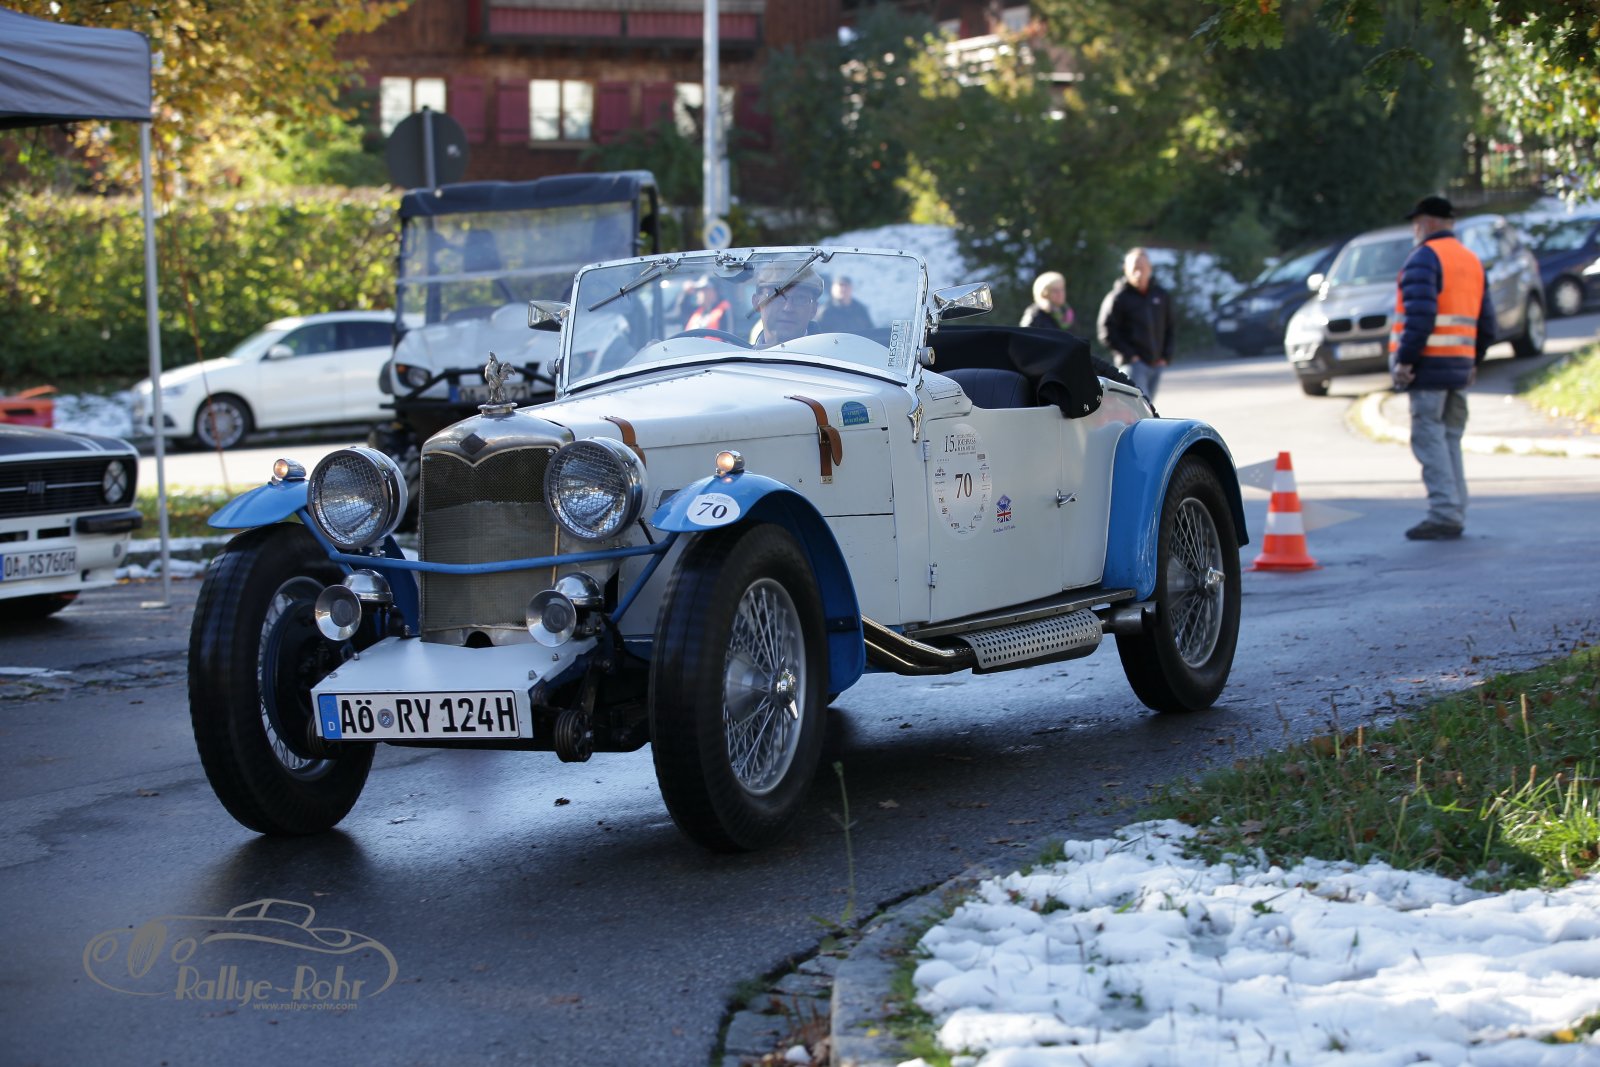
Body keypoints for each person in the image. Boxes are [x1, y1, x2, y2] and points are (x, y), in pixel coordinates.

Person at [1390, 195, 1495, 541]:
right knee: (1450, 438)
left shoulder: (1424, 258)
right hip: (1459, 367)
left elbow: (1420, 317)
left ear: (1427, 222)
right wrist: (1474, 360)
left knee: (1430, 438)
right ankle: (1455, 508)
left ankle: (1444, 513)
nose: (1414, 229)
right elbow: (1487, 323)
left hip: (1428, 368)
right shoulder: (1471, 260)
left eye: (1416, 223)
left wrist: (1406, 360)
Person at [1096, 248, 1174, 400]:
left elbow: (1170, 326)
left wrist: (1166, 356)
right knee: (1141, 406)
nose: (1138, 273)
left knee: (1148, 406)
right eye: (1134, 269)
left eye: (1142, 269)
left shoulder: (1160, 294)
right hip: (1133, 365)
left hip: (1156, 364)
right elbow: (1106, 332)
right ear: (1126, 270)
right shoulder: (1118, 297)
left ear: (1150, 269)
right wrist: (1131, 356)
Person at [750, 264, 824, 346]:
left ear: (813, 309)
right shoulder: (742, 352)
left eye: (800, 299)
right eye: (776, 296)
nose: (788, 308)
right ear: (757, 302)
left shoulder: (829, 353)